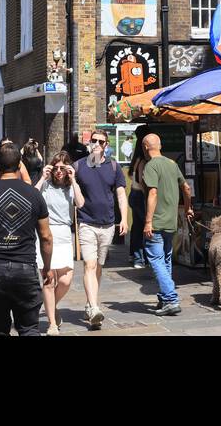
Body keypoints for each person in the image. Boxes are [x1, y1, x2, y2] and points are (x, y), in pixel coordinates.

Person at [0, 142, 53, 336]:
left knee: (0, 331)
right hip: (26, 270)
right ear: (20, 165)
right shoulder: (34, 195)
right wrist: (47, 268)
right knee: (30, 329)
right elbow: (46, 237)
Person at [73, 129, 129, 329]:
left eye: (100, 141)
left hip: (107, 224)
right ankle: (94, 308)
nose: (96, 144)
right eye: (93, 141)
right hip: (86, 222)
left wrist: (124, 218)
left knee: (98, 266)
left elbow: (121, 194)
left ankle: (90, 302)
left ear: (106, 145)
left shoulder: (114, 167)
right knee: (89, 265)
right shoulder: (78, 166)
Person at [141, 133, 193, 317]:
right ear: (160, 146)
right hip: (171, 222)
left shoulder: (151, 166)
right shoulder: (172, 164)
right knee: (166, 260)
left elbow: (152, 193)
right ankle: (164, 299)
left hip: (156, 223)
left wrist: (148, 221)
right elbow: (186, 188)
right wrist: (188, 209)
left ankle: (170, 299)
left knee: (156, 261)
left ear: (145, 147)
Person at [36, 152, 82, 335]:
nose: (59, 171)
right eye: (56, 168)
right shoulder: (46, 185)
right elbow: (31, 196)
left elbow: (81, 203)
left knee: (66, 279)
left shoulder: (71, 187)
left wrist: (75, 180)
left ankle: (50, 305)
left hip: (64, 234)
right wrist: (42, 177)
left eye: (63, 168)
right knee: (49, 280)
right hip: (46, 232)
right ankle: (52, 324)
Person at [127, 137, 148, 268]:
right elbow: (142, 180)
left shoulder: (136, 159)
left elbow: (131, 176)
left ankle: (134, 255)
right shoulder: (143, 161)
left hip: (133, 193)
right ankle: (139, 259)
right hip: (140, 195)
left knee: (137, 227)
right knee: (143, 228)